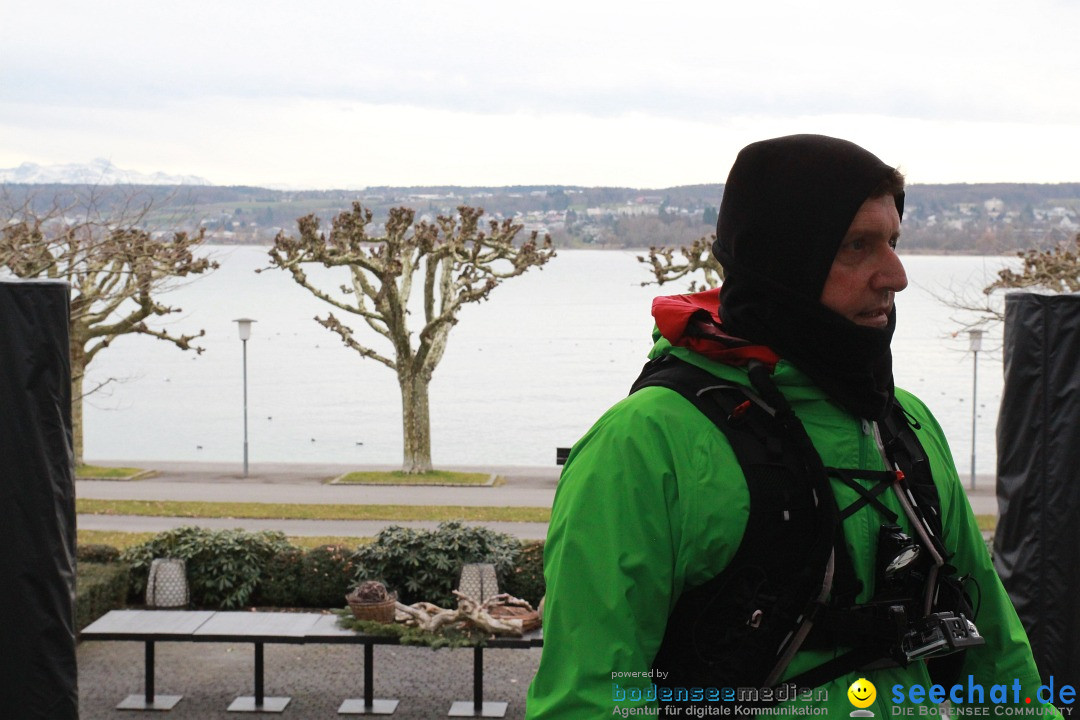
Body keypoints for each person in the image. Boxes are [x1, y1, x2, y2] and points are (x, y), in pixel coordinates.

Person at [525, 135, 1060, 718]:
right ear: (783, 260)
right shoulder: (643, 445)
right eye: (858, 245)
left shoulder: (906, 424)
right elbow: (589, 699)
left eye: (894, 241)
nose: (896, 274)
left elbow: (999, 662)